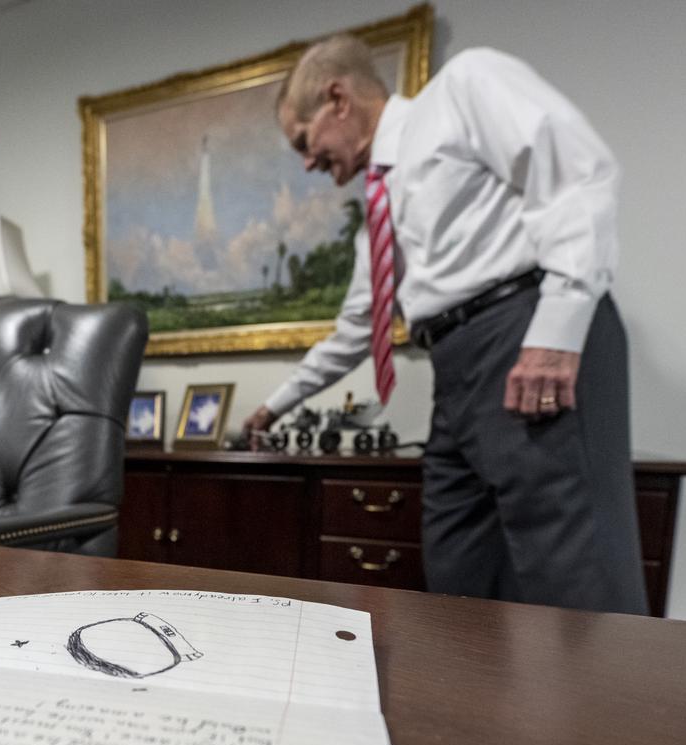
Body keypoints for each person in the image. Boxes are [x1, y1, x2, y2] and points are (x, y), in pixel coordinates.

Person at [243, 35, 647, 614]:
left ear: (337, 98)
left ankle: (593, 707)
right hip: (455, 369)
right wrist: (275, 405)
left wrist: (556, 332)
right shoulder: (377, 210)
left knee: (572, 572)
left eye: (304, 142)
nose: (307, 162)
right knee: (458, 566)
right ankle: (486, 705)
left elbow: (577, 176)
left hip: (523, 331)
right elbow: (356, 329)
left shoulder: (463, 88)